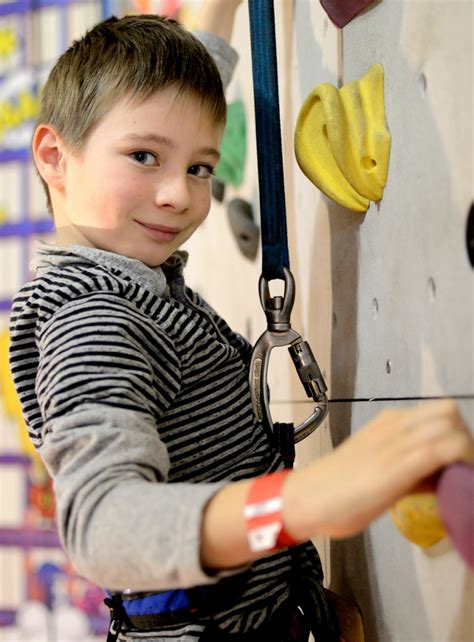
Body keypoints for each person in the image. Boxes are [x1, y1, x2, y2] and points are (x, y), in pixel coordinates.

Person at [8, 3, 473, 642]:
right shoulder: (93, 318)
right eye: (144, 157)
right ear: (54, 157)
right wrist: (304, 501)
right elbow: (104, 528)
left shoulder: (123, 275)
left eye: (200, 166)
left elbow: (172, 117)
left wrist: (220, 15)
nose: (179, 194)